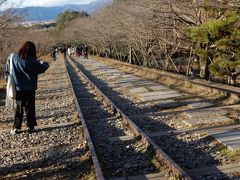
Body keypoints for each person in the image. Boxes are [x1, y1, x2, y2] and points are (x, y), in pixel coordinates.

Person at [5, 41, 49, 134]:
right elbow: (45, 66)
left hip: (17, 88)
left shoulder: (13, 57)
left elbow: (7, 71)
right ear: (32, 50)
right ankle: (31, 126)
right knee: (30, 108)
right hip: (30, 88)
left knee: (19, 108)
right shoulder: (32, 61)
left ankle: (16, 127)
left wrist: (8, 81)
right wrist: (40, 61)